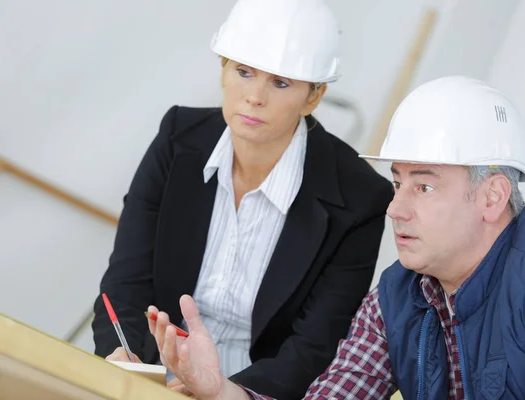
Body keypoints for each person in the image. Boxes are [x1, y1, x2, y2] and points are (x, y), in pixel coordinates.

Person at [149, 76, 525, 399]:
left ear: (492, 197)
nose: (395, 208)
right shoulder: (397, 293)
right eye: (397, 182)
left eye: (423, 186)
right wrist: (224, 392)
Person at [91, 0, 393, 398]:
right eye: (244, 72)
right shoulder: (176, 138)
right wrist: (125, 360)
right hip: (148, 372)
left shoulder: (359, 198)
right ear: (223, 69)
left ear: (313, 96)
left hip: (254, 392)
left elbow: (313, 346)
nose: (254, 96)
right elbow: (126, 282)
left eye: (280, 82)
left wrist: (220, 392)